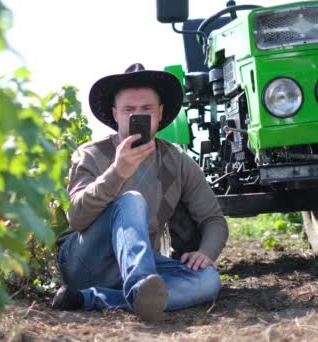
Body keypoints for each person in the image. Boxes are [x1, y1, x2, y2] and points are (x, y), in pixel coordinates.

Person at [52, 63, 229, 321]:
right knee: (131, 201)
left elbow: (213, 220)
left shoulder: (178, 160)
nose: (138, 115)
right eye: (129, 110)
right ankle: (138, 287)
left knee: (208, 280)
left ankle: (94, 299)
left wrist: (206, 254)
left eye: (146, 109)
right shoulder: (90, 154)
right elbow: (77, 218)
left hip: (143, 263)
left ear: (160, 113)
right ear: (115, 114)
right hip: (85, 263)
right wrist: (117, 172)